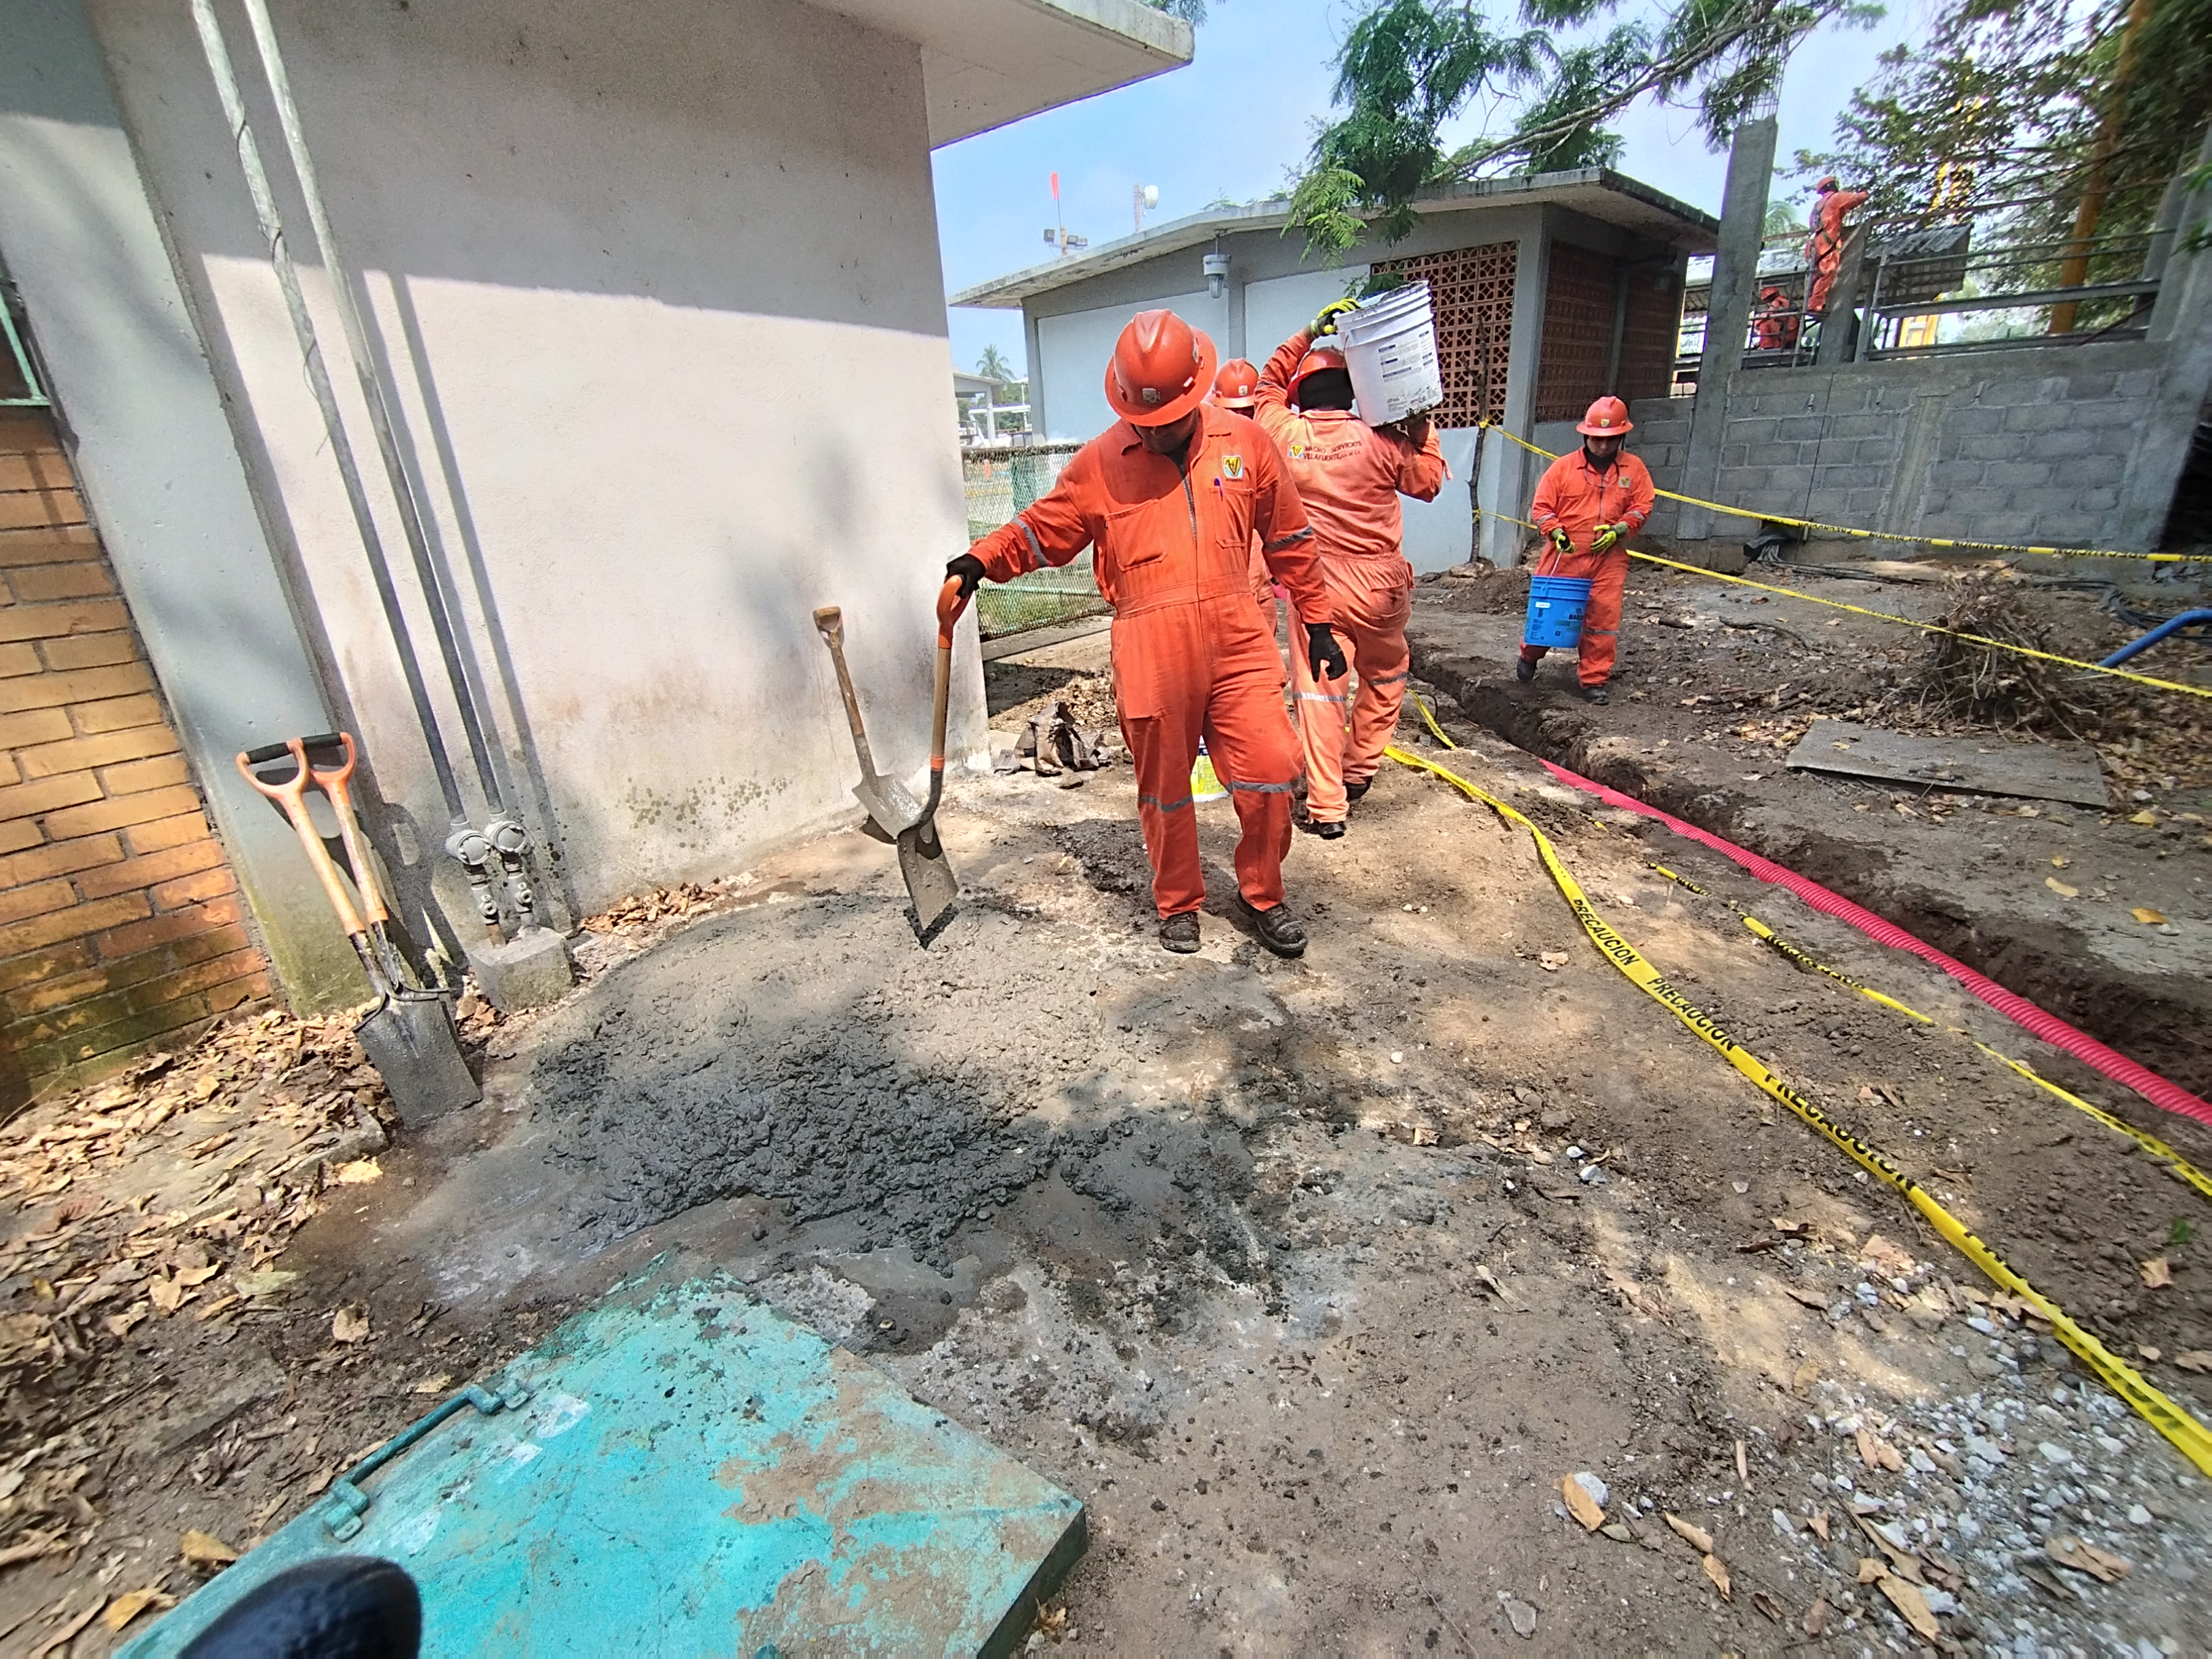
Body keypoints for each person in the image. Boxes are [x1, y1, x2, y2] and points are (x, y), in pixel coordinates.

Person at [947, 311, 1344, 958]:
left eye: (1170, 419)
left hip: (1238, 634)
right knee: (1164, 788)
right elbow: (1041, 529)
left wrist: (1319, 619)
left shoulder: (1247, 444)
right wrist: (981, 560)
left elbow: (1290, 539)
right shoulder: (1099, 464)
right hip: (1149, 639)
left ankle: (1261, 893)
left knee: (1273, 768)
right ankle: (1178, 901)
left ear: (1197, 392)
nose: (1156, 432)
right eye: (1145, 420)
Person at [1251, 304, 1447, 839]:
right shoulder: (1383, 441)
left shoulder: (1283, 433)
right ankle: (1359, 768)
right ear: (1353, 393)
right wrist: (1422, 425)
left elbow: (1266, 386)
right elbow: (1429, 483)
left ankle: (1327, 808)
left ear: (1303, 394)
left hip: (1319, 587)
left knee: (1320, 694)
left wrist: (1307, 331)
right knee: (1387, 675)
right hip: (1383, 587)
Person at [1516, 396, 1653, 705]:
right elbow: (1542, 508)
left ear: (1621, 437)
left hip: (1608, 557)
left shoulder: (1634, 469)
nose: (1603, 446)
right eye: (1596, 439)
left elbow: (1642, 506)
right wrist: (1556, 532)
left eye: (1610, 439)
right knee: (1549, 613)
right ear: (1585, 435)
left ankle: (1594, 679)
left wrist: (1621, 529)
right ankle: (1530, 655)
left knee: (1602, 618)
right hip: (1564, 554)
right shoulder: (1563, 469)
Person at [1208, 358, 1279, 628]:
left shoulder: (1266, 445)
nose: (1241, 418)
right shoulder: (1205, 449)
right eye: (1234, 411)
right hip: (1230, 570)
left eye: (1247, 411)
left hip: (1260, 571)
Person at [1806, 177, 1869, 317]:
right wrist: (1866, 193)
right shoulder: (1836, 198)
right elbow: (1857, 198)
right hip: (1826, 242)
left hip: (1813, 244)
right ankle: (1814, 305)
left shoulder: (1817, 206)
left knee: (1816, 275)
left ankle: (1812, 301)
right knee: (1828, 272)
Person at [1750, 285, 1800, 352]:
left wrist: (1757, 322)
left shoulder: (1777, 302)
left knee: (1764, 325)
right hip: (1792, 328)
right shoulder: (1785, 300)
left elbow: (1769, 313)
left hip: (1788, 328)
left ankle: (1767, 346)